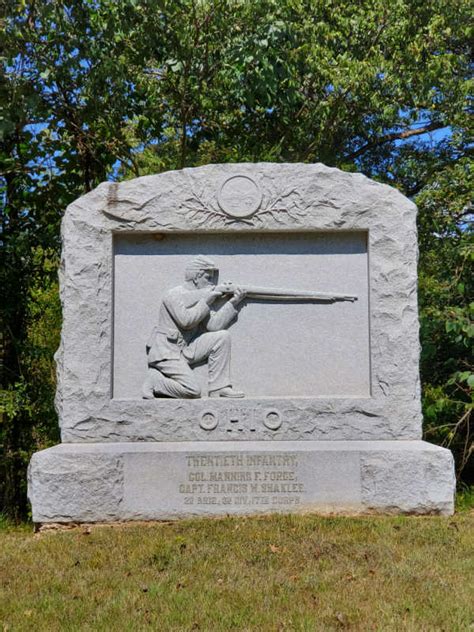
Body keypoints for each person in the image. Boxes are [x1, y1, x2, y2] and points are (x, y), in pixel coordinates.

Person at [142, 255, 246, 399]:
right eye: (208, 278)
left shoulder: (202, 297)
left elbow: (213, 326)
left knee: (222, 336)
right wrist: (206, 301)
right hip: (166, 353)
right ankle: (156, 381)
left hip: (186, 349)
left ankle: (219, 388)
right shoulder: (173, 295)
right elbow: (186, 321)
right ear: (197, 277)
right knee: (192, 391)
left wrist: (233, 302)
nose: (211, 283)